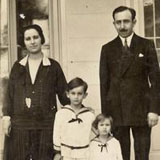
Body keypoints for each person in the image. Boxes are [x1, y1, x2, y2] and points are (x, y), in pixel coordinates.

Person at [99, 6, 160, 160]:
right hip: (117, 110)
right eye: (118, 22)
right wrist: (106, 115)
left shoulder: (146, 45)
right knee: (119, 155)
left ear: (134, 22)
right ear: (114, 24)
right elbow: (103, 84)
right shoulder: (107, 49)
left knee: (142, 154)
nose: (122, 26)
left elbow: (156, 80)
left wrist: (154, 110)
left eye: (126, 21)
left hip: (141, 109)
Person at [2, 24, 69, 160]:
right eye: (28, 39)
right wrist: (6, 117)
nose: (32, 42)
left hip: (45, 125)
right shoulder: (18, 67)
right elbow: (9, 94)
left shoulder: (53, 67)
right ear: (24, 42)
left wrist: (78, 112)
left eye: (35, 37)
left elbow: (65, 95)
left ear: (41, 39)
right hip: (21, 126)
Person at [53, 77, 95, 160]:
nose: (76, 97)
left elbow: (93, 135)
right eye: (73, 93)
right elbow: (56, 134)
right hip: (66, 154)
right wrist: (58, 152)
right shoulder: (61, 114)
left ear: (85, 95)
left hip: (84, 154)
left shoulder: (89, 115)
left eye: (79, 93)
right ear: (68, 94)